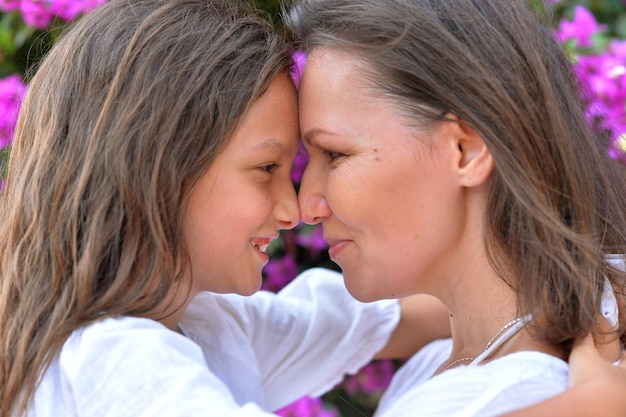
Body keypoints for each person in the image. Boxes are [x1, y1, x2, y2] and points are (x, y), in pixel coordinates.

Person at [0, 0, 450, 415]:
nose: (292, 212)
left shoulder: (205, 327)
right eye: (266, 167)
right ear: (163, 171)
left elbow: (384, 323)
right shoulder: (122, 362)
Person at [287, 0, 626, 415]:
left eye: (335, 154)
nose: (308, 206)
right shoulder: (455, 365)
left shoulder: (497, 395)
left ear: (466, 151)